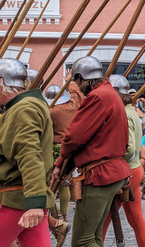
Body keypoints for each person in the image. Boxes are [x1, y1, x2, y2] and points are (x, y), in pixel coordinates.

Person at [50, 56, 131, 247]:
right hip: (110, 171)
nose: (77, 87)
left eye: (76, 82)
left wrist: (60, 162)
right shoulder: (109, 93)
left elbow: (74, 137)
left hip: (100, 173)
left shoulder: (98, 96)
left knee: (82, 242)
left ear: (80, 77)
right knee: (94, 238)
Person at [0, 58, 54, 247]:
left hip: (17, 199)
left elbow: (29, 155)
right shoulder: (25, 106)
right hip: (25, 198)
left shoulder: (23, 108)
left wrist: (34, 201)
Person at [102, 75, 145, 247]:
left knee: (103, 221)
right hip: (133, 170)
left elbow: (128, 149)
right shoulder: (131, 111)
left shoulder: (124, 114)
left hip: (126, 172)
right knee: (136, 220)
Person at [44, 74, 83, 245]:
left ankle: (57, 216)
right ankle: (64, 214)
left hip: (55, 149)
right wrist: (71, 82)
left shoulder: (50, 110)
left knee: (50, 185)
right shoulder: (73, 105)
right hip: (70, 150)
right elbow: (77, 95)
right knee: (65, 183)